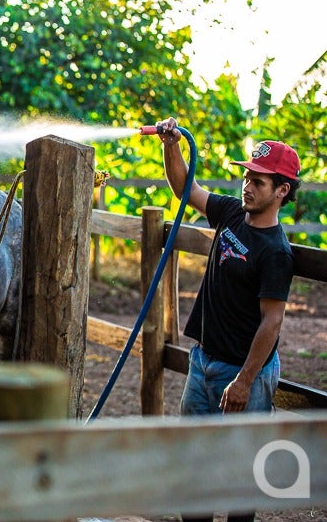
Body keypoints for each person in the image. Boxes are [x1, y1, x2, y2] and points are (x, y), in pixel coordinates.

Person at [155, 117, 302, 522]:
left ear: (281, 190)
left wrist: (244, 380)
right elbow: (188, 189)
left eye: (258, 181)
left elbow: (271, 323)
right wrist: (171, 145)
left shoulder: (275, 252)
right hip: (203, 362)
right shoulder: (234, 213)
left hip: (242, 375)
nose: (247, 185)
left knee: (240, 478)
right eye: (248, 176)